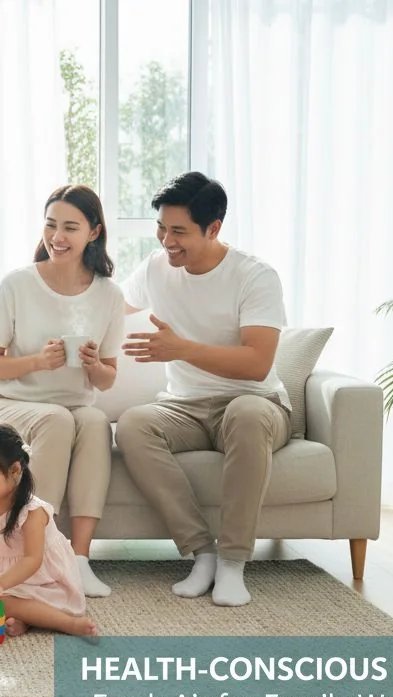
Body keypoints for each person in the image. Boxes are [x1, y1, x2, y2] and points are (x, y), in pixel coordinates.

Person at [115, 171, 291, 607]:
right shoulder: (156, 268)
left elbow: (257, 363)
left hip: (256, 403)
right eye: (161, 228)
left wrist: (182, 348)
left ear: (213, 229)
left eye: (179, 231)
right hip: (185, 408)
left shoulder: (254, 276)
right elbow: (109, 305)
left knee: (246, 415)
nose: (166, 241)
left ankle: (233, 563)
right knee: (134, 425)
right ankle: (202, 553)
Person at [0, 184, 126, 597]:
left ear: (93, 232)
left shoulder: (109, 294)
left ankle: (79, 559)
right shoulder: (18, 284)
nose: (57, 237)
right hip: (6, 403)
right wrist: (37, 362)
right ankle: (37, 553)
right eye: (50, 225)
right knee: (58, 420)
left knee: (95, 422)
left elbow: (109, 377)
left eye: (70, 227)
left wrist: (95, 366)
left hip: (75, 407)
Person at [0, 422, 98, 637]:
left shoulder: (32, 512)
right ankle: (26, 619)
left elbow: (32, 560)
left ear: (14, 470)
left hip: (47, 581)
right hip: (11, 580)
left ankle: (67, 623)